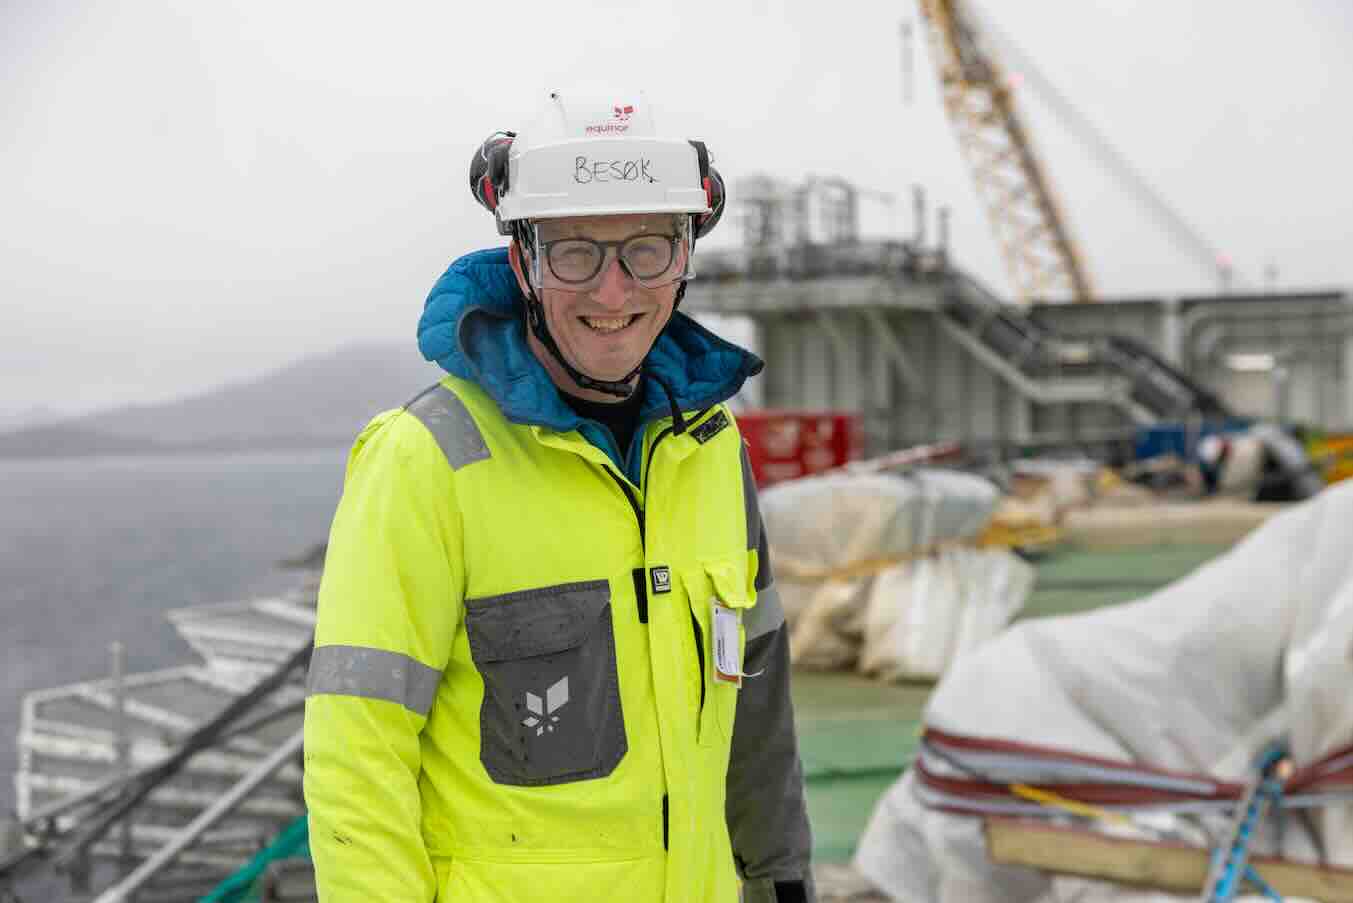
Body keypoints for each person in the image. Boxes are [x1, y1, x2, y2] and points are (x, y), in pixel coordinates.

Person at [302, 91, 815, 902]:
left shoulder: (711, 449)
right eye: (575, 252)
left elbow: (756, 703)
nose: (613, 294)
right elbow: (357, 753)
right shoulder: (425, 460)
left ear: (685, 255)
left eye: (646, 250)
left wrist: (781, 875)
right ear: (523, 261)